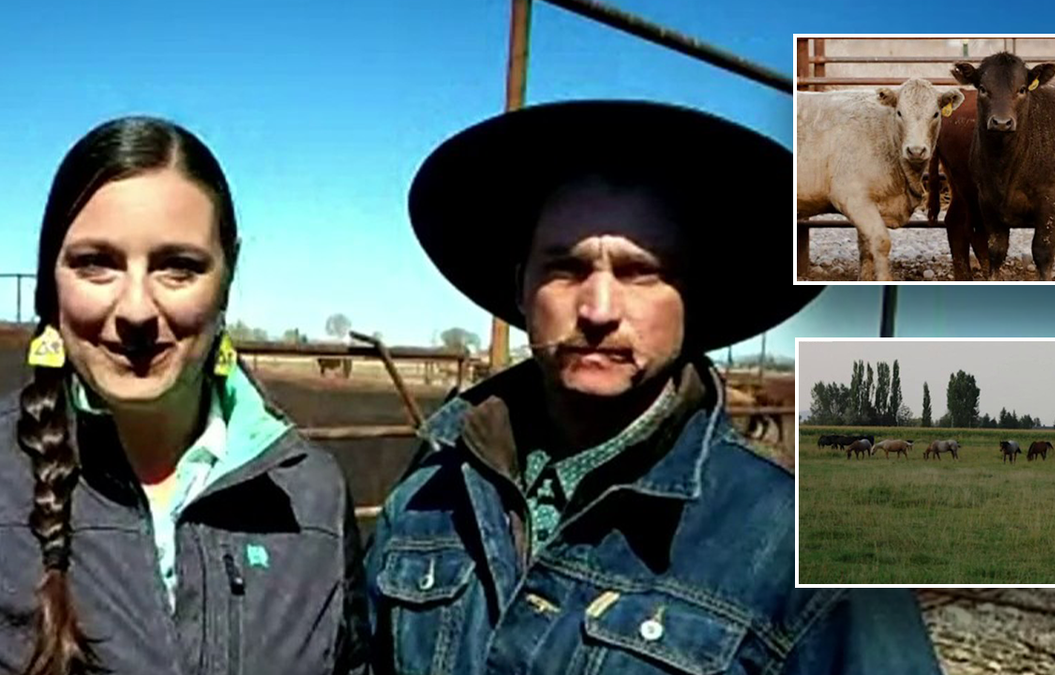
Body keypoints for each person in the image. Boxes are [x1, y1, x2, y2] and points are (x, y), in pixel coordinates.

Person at [365, 100, 943, 674]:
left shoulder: (807, 551)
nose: (597, 309)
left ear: (693, 298)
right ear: (522, 288)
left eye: (641, 272)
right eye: (564, 269)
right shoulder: (431, 491)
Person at [0, 117, 369, 675]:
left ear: (228, 274)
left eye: (179, 267)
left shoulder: (312, 496)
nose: (136, 311)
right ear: (51, 279)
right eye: (96, 263)